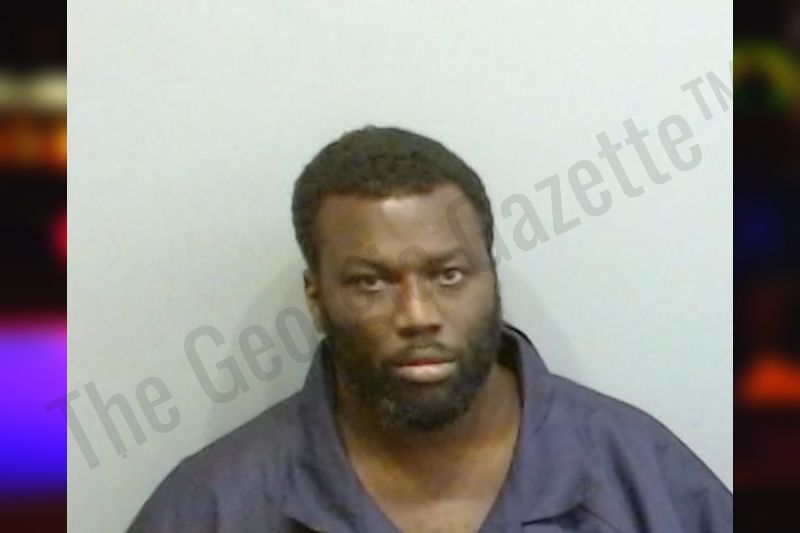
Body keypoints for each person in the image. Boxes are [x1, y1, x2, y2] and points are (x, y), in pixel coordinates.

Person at [128, 126, 732, 532]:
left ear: (490, 276)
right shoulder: (214, 506)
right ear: (317, 298)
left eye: (448, 274)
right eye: (370, 282)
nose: (417, 314)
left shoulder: (644, 479)